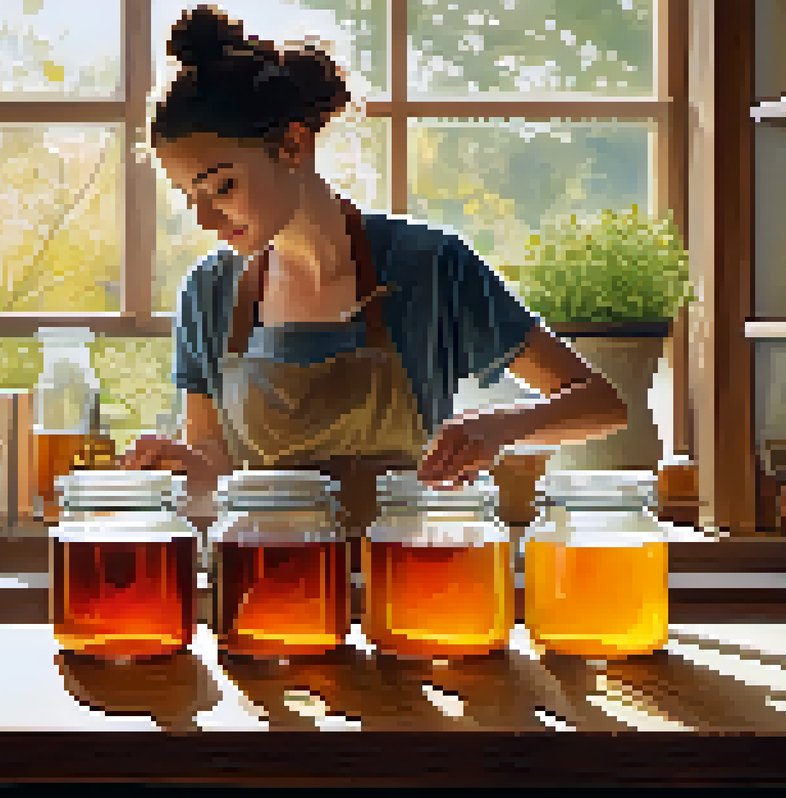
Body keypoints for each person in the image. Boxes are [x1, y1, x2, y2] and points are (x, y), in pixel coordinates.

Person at [120, 4, 629, 533]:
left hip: (412, 583)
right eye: (189, 197)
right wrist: (188, 467)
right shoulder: (209, 291)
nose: (204, 218)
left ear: (293, 144)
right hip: (270, 591)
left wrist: (504, 427)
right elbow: (216, 467)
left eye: (222, 186)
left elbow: (601, 403)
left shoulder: (431, 266)